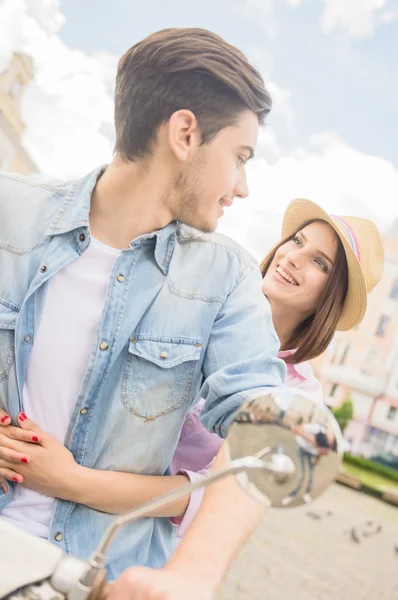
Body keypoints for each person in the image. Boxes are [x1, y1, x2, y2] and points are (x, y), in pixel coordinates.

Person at [0, 27, 286, 600]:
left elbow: (265, 426)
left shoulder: (228, 278)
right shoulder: (10, 210)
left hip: (92, 582)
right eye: (240, 156)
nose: (243, 187)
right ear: (185, 133)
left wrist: (191, 575)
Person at [0, 200, 385, 539]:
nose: (294, 257)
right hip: (32, 494)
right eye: (297, 241)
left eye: (320, 262)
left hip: (132, 542)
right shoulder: (193, 303)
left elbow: (208, 498)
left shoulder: (298, 400)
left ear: (330, 298)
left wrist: (71, 481)